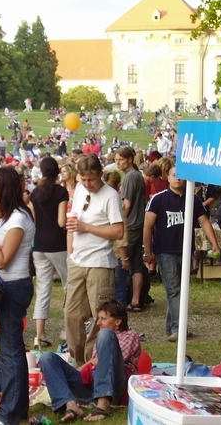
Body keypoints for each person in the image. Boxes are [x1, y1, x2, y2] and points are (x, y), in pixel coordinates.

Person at [0, 167, 36, 425]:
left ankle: (9, 414)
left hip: (14, 288)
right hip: (5, 288)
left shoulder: (18, 219)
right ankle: (18, 409)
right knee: (10, 351)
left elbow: (2, 260)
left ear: (3, 188)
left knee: (11, 353)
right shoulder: (5, 218)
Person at [143, 165, 220, 342]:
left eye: (181, 176)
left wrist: (214, 244)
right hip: (165, 250)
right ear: (167, 178)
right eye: (174, 175)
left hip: (186, 250)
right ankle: (179, 327)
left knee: (181, 290)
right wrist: (148, 251)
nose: (178, 178)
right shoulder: (158, 199)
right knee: (174, 290)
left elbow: (205, 222)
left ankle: (172, 326)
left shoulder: (193, 199)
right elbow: (148, 226)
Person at [65, 154, 124, 366]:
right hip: (77, 261)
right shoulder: (80, 190)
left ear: (101, 174)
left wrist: (87, 228)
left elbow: (118, 231)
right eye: (83, 179)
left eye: (91, 179)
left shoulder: (111, 196)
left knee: (102, 317)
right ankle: (77, 359)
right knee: (71, 314)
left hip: (100, 263)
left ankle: (94, 362)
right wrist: (69, 253)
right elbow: (73, 222)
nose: (88, 184)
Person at [39, 300, 141, 422]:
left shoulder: (129, 335)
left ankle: (104, 404)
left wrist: (91, 362)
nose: (98, 323)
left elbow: (108, 361)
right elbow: (94, 363)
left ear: (118, 321)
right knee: (47, 358)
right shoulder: (102, 337)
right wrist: (75, 372)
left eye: (103, 319)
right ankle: (69, 404)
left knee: (105, 334)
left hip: (114, 386)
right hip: (91, 386)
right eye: (98, 319)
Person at [30, 157, 68, 348]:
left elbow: (35, 220)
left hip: (39, 244)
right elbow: (62, 222)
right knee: (69, 285)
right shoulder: (61, 192)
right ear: (57, 171)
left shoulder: (34, 193)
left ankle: (39, 335)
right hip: (57, 243)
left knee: (43, 290)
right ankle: (68, 329)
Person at [114, 147, 146, 312]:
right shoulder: (137, 175)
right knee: (136, 264)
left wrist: (118, 221)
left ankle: (122, 299)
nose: (117, 162)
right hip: (138, 223)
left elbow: (126, 204)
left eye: (120, 159)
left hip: (131, 224)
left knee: (124, 262)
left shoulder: (130, 177)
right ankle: (135, 300)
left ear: (129, 159)